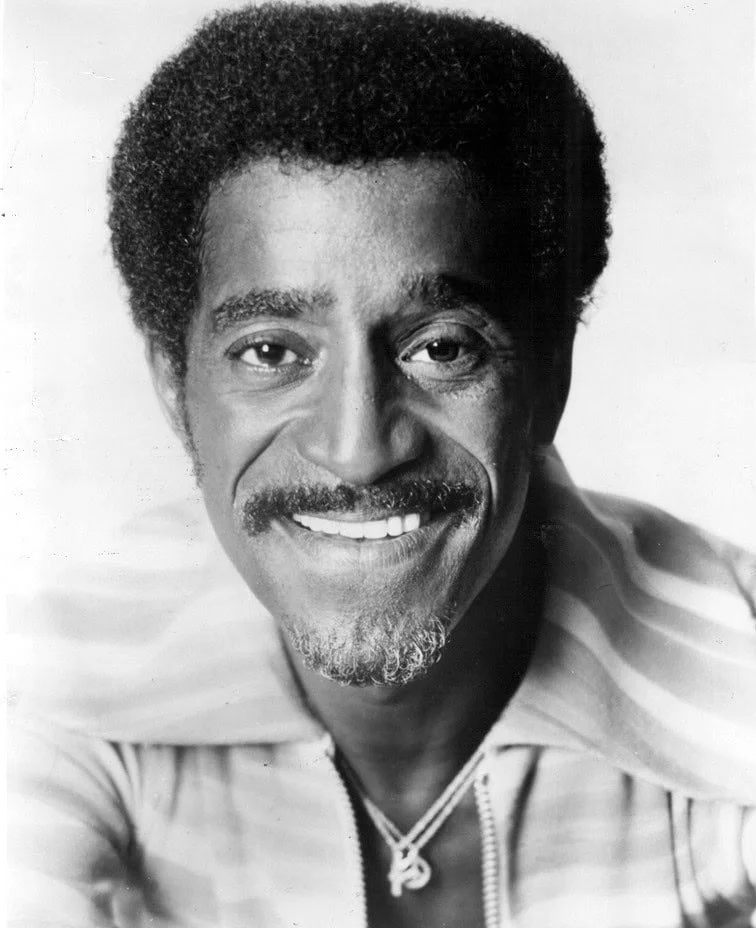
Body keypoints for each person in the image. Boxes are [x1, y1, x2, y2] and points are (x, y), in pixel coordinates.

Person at [8, 3, 756, 926]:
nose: (359, 450)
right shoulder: (51, 686)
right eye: (271, 352)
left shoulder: (736, 660)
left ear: (550, 375)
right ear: (174, 387)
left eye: (441, 348)